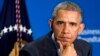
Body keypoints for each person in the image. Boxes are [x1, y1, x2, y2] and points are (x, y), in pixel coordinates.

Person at [19, 1, 92, 56]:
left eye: (72, 24)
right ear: (51, 25)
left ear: (80, 28)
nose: (66, 31)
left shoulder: (85, 47)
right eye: (60, 23)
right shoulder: (30, 51)